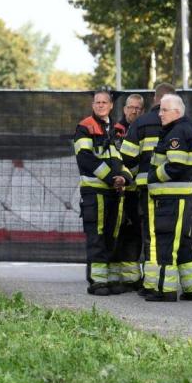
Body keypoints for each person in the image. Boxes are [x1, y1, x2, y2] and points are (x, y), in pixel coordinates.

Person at [144, 94, 192, 302]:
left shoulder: (176, 133)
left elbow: (176, 165)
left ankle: (165, 290)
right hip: (183, 198)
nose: (159, 114)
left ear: (177, 112)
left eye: (163, 110)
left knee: (166, 243)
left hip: (171, 199)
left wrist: (153, 176)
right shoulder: (188, 130)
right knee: (183, 243)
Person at [73, 91, 132, 295]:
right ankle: (97, 281)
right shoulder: (85, 126)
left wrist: (124, 177)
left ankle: (110, 279)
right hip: (94, 192)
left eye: (103, 102)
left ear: (111, 105)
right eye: (97, 102)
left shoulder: (115, 130)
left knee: (111, 234)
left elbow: (118, 158)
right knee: (96, 235)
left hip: (114, 192)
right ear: (92, 104)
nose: (100, 105)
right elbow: (85, 159)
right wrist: (110, 178)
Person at [120, 83, 177, 287]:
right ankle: (168, 279)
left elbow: (126, 158)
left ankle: (151, 282)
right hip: (177, 192)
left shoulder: (141, 123)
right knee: (172, 235)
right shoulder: (183, 123)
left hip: (147, 190)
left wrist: (127, 178)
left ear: (155, 98)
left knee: (150, 234)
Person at [111, 94, 145, 289]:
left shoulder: (145, 131)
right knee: (116, 232)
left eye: (138, 108)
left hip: (135, 193)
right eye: (131, 107)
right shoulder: (116, 131)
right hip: (116, 192)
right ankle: (114, 277)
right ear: (124, 109)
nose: (134, 111)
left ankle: (132, 278)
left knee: (134, 233)